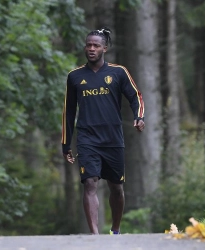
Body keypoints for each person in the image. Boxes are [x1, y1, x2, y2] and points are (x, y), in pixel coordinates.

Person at [61, 27, 145, 235]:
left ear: (104, 48)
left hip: (113, 138)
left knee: (116, 188)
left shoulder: (118, 72)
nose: (91, 49)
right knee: (89, 183)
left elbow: (136, 96)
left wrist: (139, 116)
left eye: (96, 45)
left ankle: (115, 230)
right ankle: (95, 237)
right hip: (87, 138)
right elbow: (68, 112)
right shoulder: (75, 76)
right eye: (88, 45)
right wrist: (66, 143)